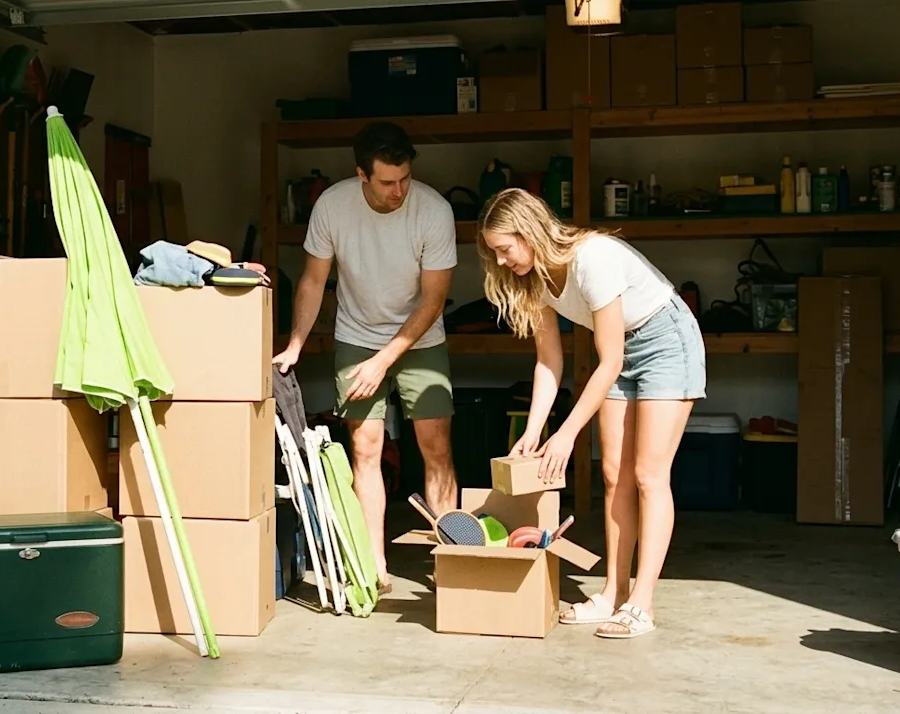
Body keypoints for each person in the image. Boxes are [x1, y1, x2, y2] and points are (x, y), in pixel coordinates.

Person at [475, 188, 705, 639]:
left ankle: (642, 602)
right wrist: (536, 429)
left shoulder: (592, 258)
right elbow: (548, 361)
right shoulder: (534, 277)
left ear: (530, 233)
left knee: (648, 475)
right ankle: (612, 594)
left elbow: (610, 360)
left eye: (504, 249)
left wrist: (565, 434)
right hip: (619, 353)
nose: (501, 261)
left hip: (664, 341)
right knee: (614, 474)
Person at [273, 121, 459, 593]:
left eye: (405, 179)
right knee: (365, 449)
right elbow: (314, 280)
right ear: (362, 175)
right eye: (386, 182)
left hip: (422, 339)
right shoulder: (332, 207)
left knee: (435, 449)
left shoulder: (434, 210)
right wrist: (296, 342)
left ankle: (449, 558)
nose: (398, 191)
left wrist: (384, 360)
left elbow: (433, 300)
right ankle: (374, 564)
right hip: (357, 334)